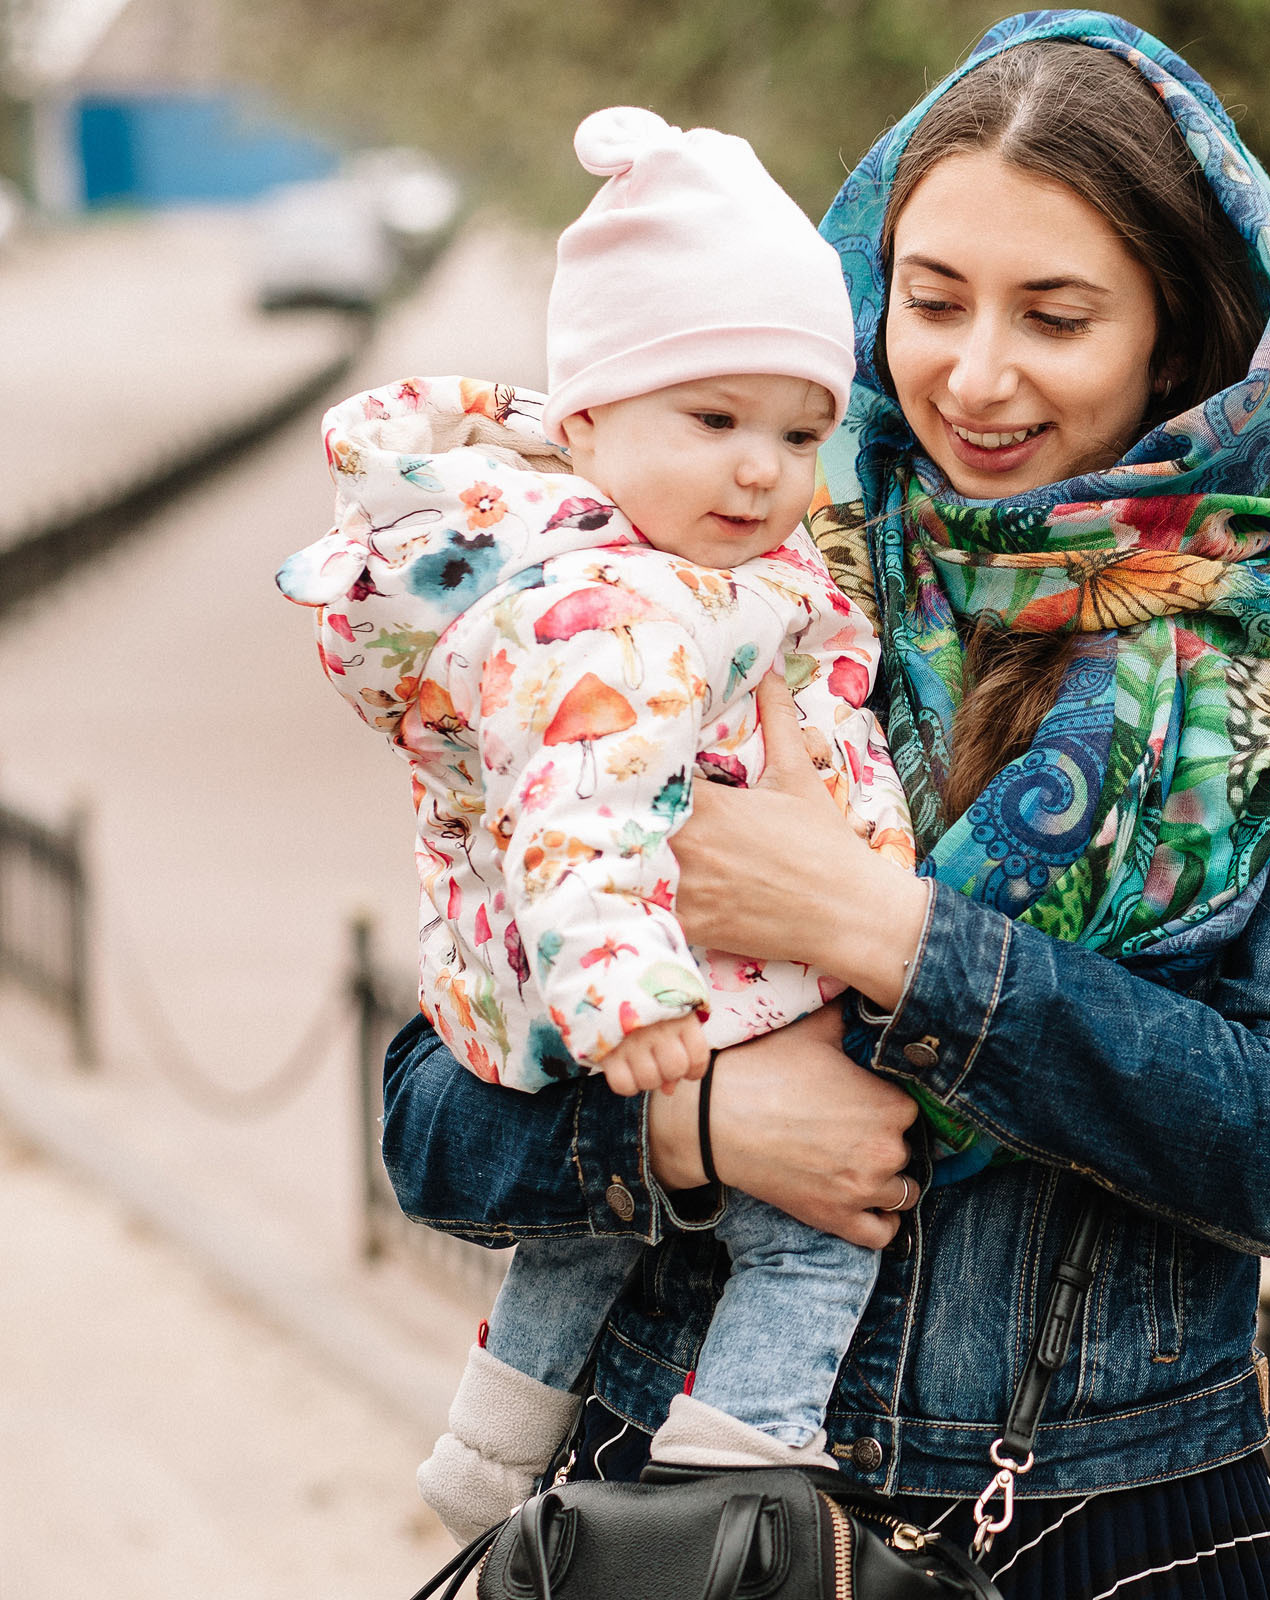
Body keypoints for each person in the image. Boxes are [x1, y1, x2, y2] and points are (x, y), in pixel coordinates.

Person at [377, 13, 1270, 1600]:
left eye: (1056, 317)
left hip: (1103, 1538)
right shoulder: (727, 588)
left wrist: (883, 932)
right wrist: (694, 1123)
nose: (975, 373)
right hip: (678, 1522)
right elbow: (429, 1115)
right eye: (932, 302)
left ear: (1174, 334)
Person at [278, 106, 918, 1540]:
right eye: (714, 420)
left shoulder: (679, 576)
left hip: (641, 998)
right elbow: (581, 809)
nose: (763, 469)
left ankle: (489, 1450)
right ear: (586, 427)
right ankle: (728, 1496)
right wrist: (626, 992)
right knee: (814, 1253)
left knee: (578, 1245)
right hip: (677, 1001)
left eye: (802, 430)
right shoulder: (614, 612)